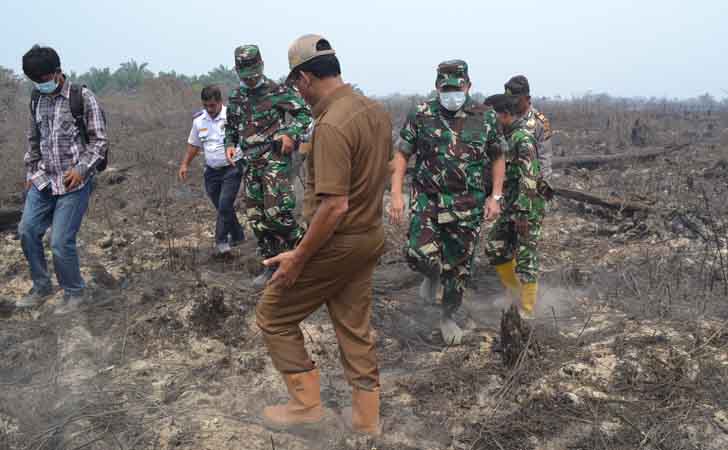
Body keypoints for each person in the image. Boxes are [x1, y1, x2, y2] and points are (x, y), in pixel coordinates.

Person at [255, 34, 392, 435]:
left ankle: (305, 406)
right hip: (369, 235)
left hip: (339, 240)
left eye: (296, 84)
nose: (298, 92)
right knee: (354, 328)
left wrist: (298, 256)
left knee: (274, 314)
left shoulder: (331, 125)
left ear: (304, 79)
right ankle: (367, 422)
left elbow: (334, 205)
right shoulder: (375, 111)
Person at [389, 60, 505, 346]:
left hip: (468, 203)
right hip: (428, 199)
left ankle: (448, 315)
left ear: (468, 86)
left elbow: (498, 157)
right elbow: (403, 154)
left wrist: (496, 196)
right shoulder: (421, 114)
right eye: (446, 88)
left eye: (458, 87)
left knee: (459, 266)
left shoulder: (485, 116)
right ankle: (431, 273)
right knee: (417, 253)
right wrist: (395, 193)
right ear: (437, 87)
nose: (452, 93)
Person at [17, 45, 108, 313]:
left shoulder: (82, 97)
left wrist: (81, 169)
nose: (40, 84)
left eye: (43, 79)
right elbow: (34, 139)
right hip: (44, 178)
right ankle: (41, 286)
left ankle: (74, 292)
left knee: (59, 242)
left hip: (73, 182)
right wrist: (31, 172)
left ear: (57, 72)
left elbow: (99, 141)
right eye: (35, 81)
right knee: (27, 231)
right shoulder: (37, 98)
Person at [224, 45, 312, 287]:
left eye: (253, 74)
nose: (250, 80)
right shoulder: (235, 97)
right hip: (249, 162)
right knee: (256, 216)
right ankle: (270, 265)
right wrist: (229, 145)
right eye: (245, 75)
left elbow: (306, 117)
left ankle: (302, 255)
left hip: (274, 159)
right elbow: (231, 128)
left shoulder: (278, 91)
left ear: (261, 66)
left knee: (276, 212)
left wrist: (289, 134)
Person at [485, 94, 547, 319]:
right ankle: (515, 294)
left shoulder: (522, 138)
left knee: (526, 256)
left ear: (505, 115)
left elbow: (529, 179)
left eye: (492, 116)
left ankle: (528, 310)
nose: (488, 121)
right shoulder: (503, 138)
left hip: (527, 207)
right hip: (510, 205)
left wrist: (522, 214)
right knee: (495, 247)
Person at [179, 85, 245, 255]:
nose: (210, 110)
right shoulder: (199, 121)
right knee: (222, 207)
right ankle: (238, 235)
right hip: (212, 171)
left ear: (220, 102)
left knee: (225, 204)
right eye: (206, 106)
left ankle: (221, 241)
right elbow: (194, 145)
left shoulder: (232, 116)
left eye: (213, 106)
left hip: (232, 167)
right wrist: (185, 164)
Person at [504, 75, 553, 180]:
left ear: (527, 98)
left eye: (517, 101)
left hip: (528, 182)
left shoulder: (539, 122)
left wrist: (543, 184)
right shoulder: (504, 118)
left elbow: (544, 157)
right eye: (510, 100)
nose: (513, 104)